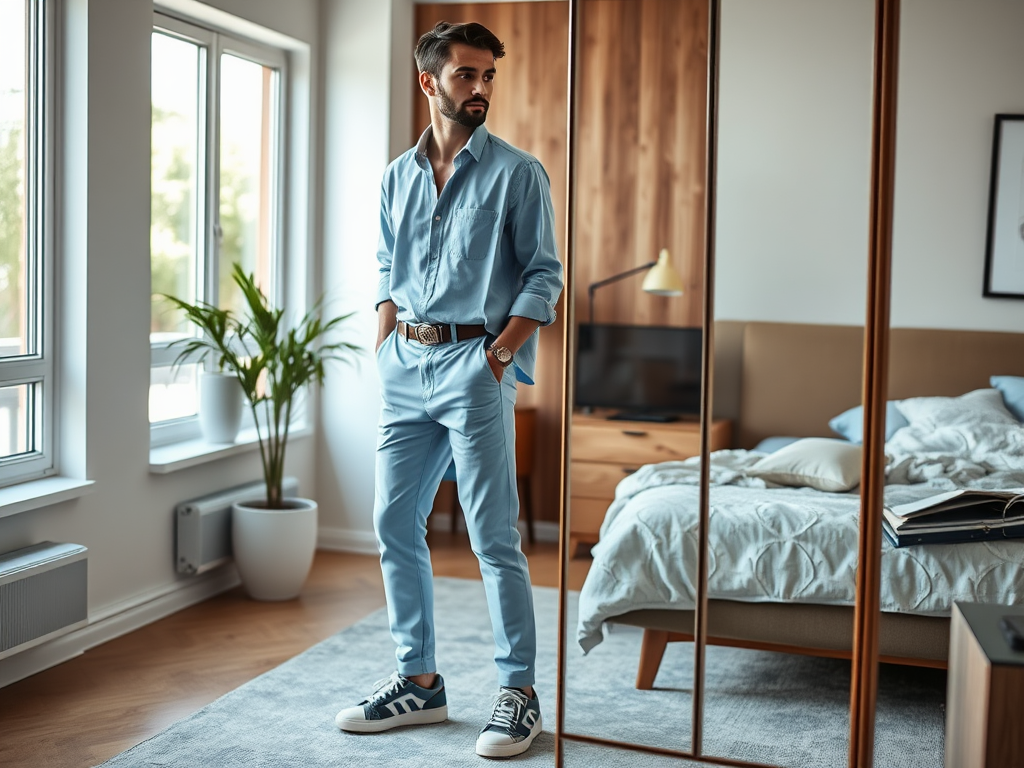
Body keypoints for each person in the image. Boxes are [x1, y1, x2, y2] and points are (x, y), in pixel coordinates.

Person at [333, 21, 563, 759]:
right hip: (406, 365)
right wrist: (384, 340)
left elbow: (543, 276)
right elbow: (384, 268)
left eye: (488, 75)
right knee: (394, 523)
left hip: (475, 366)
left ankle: (518, 693)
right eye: (466, 75)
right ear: (430, 82)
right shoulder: (397, 175)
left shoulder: (518, 173)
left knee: (495, 538)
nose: (481, 89)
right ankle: (419, 682)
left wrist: (498, 355)